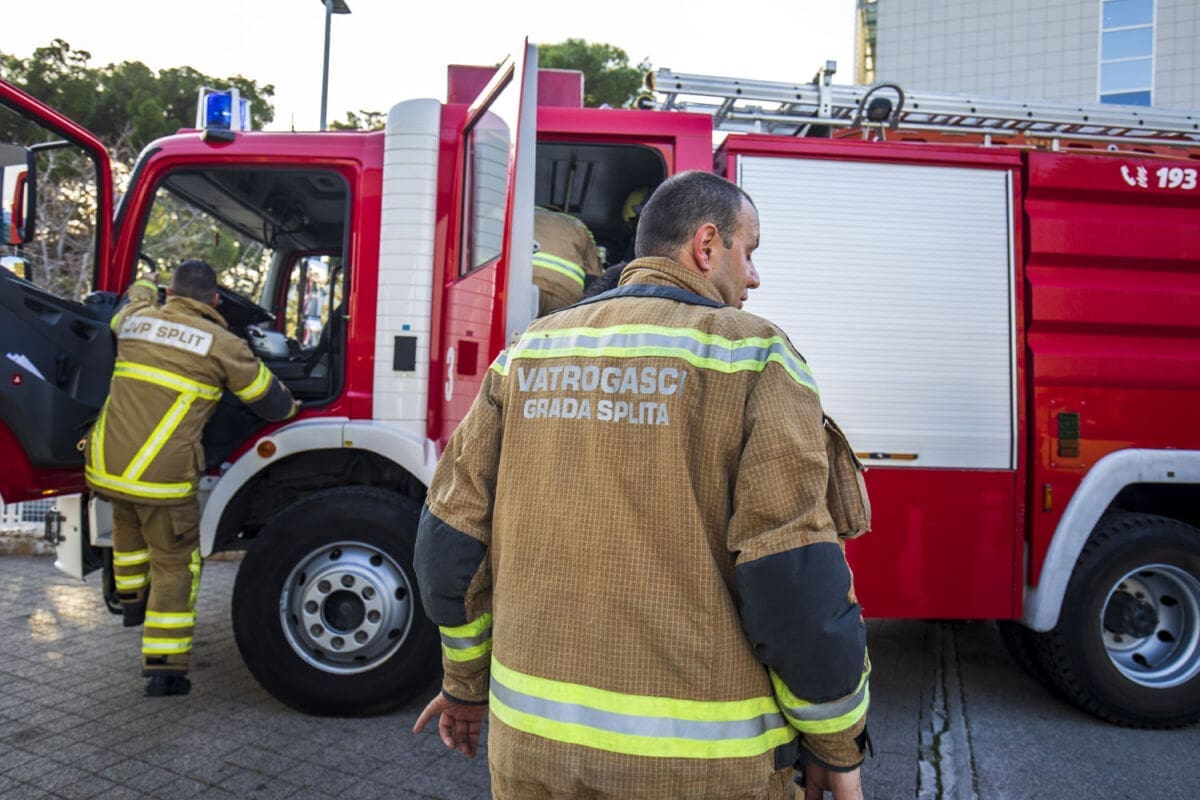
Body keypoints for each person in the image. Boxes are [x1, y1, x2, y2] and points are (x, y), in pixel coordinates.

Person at [412, 171, 871, 799]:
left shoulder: (526, 354)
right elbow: (791, 576)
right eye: (750, 250)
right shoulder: (757, 356)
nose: (755, 277)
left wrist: (464, 686)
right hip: (703, 772)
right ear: (707, 245)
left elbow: (451, 545)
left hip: (533, 760)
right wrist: (835, 746)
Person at [85, 260, 297, 697]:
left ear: (170, 292)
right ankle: (164, 670)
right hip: (162, 481)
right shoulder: (223, 344)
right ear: (215, 300)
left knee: (127, 532)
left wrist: (144, 284)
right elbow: (274, 404)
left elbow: (129, 301)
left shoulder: (136, 320)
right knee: (174, 564)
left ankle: (129, 605)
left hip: (107, 467)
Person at [531, 206, 603, 315]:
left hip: (525, 283)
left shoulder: (520, 212)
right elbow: (595, 275)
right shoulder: (578, 225)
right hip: (564, 297)